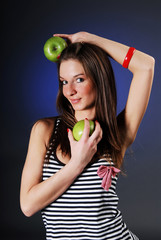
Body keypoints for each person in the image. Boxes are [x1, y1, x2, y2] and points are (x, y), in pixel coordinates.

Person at [20, 31, 155, 240]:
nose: (70, 91)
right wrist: (76, 164)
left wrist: (91, 39)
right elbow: (28, 206)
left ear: (99, 79)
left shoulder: (116, 132)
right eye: (64, 81)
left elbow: (146, 66)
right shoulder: (45, 130)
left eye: (79, 79)